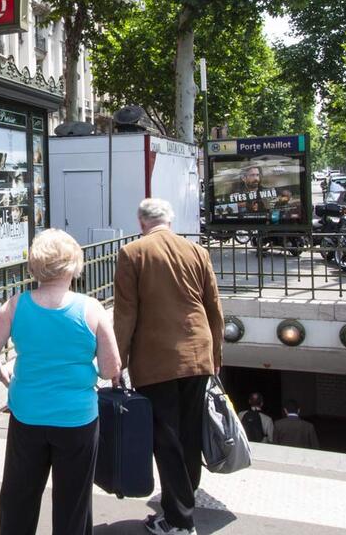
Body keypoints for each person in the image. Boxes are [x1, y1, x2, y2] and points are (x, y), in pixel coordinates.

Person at [0, 229, 120, 535]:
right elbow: (111, 368)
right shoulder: (91, 309)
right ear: (73, 265)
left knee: (18, 499)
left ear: (36, 265)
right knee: (74, 504)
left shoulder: (15, 306)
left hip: (27, 414)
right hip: (77, 418)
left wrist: (4, 377)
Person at [112, 198, 224, 535]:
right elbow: (214, 307)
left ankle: (179, 520)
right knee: (189, 435)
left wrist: (118, 361)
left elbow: (125, 313)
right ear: (170, 221)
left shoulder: (133, 253)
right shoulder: (197, 252)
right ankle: (181, 507)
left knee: (166, 439)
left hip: (156, 359)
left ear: (141, 222)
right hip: (198, 354)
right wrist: (216, 355)